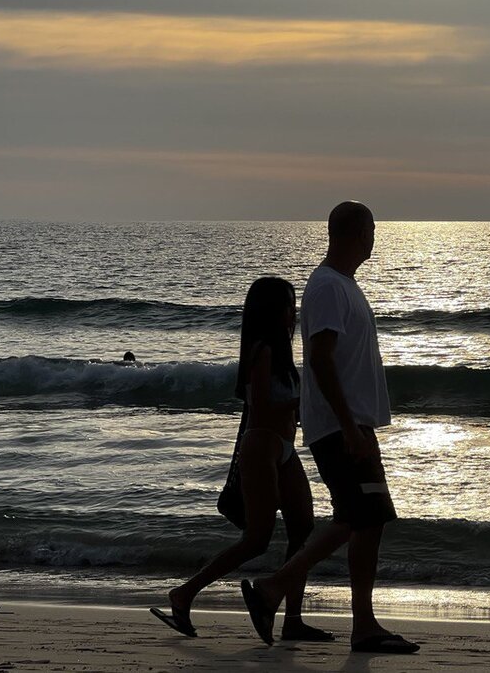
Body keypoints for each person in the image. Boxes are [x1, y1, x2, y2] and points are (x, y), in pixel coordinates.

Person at [239, 202, 418, 654]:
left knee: (369, 519)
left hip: (354, 424)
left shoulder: (344, 286)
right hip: (341, 428)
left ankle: (362, 624)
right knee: (357, 515)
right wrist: (348, 426)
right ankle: (272, 590)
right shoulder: (327, 288)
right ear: (355, 233)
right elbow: (320, 357)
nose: (374, 236)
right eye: (371, 228)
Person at [150, 277, 331, 642]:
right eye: (287, 304)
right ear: (272, 310)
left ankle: (292, 618)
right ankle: (184, 593)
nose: (292, 312)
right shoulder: (262, 351)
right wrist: (301, 404)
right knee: (257, 539)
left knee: (303, 530)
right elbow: (261, 406)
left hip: (283, 447)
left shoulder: (282, 355)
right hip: (261, 447)